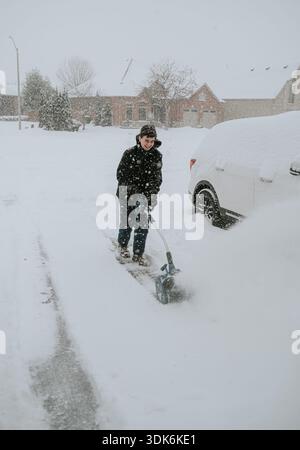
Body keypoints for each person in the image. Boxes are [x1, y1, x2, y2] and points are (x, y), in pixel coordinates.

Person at [116, 124, 163, 265]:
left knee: (143, 224)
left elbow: (157, 178)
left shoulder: (156, 156)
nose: (149, 144)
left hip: (145, 195)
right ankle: (123, 245)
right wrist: (133, 190)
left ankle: (138, 253)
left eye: (152, 141)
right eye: (146, 140)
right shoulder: (129, 153)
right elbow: (121, 174)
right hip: (127, 193)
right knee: (127, 221)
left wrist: (152, 195)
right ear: (140, 138)